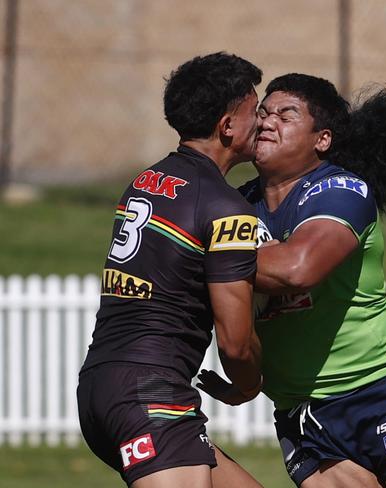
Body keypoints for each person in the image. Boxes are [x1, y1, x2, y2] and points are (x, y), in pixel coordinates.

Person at [198, 74, 386, 487]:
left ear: (322, 140)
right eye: (263, 112)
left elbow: (298, 269)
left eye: (286, 114)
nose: (266, 121)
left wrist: (205, 258)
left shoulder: (341, 189)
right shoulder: (238, 206)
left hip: (382, 389)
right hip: (301, 413)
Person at [77, 52, 264, 488]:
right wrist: (249, 385)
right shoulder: (224, 206)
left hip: (101, 387)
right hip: (152, 396)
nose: (263, 122)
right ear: (228, 125)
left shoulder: (144, 180)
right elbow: (235, 344)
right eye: (255, 111)